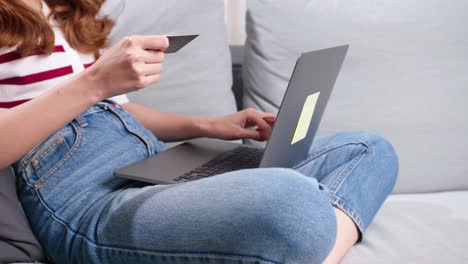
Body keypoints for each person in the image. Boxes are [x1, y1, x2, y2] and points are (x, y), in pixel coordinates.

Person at [0, 0, 398, 263]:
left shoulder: (60, 8)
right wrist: (95, 83)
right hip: (77, 194)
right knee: (293, 202)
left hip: (147, 161)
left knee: (366, 148)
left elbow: (111, 109)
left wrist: (208, 126)